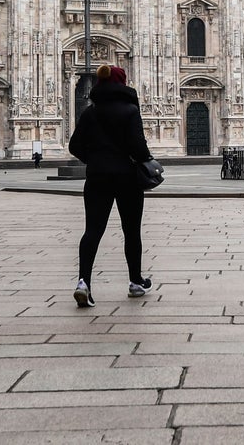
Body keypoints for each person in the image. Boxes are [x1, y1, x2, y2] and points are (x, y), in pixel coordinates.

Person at [67, 64, 154, 307]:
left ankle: (83, 282)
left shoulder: (89, 113)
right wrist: (145, 160)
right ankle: (136, 282)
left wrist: (94, 159)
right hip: (127, 178)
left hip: (97, 177)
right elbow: (138, 147)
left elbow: (74, 146)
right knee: (131, 231)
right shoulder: (129, 110)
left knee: (92, 231)